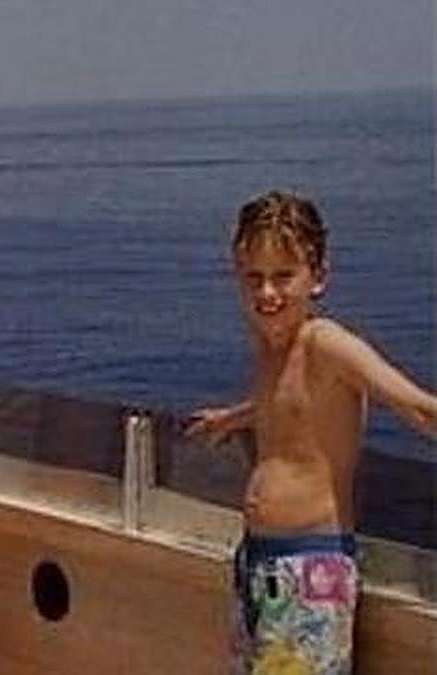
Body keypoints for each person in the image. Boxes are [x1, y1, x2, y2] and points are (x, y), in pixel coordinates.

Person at [184, 190, 437, 674]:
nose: (267, 293)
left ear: (317, 277)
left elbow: (418, 408)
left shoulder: (327, 344)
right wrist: (232, 418)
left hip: (309, 573)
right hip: (258, 564)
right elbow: (285, 405)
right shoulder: (271, 347)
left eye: (284, 276)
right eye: (254, 278)